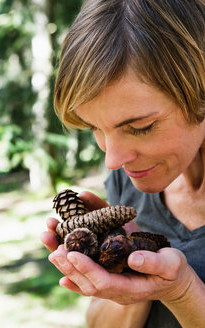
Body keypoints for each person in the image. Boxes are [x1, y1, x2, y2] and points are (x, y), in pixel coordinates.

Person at [40, 0, 205, 327]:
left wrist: (183, 293)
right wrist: (127, 276)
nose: (112, 159)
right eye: (95, 128)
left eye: (140, 127)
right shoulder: (129, 180)